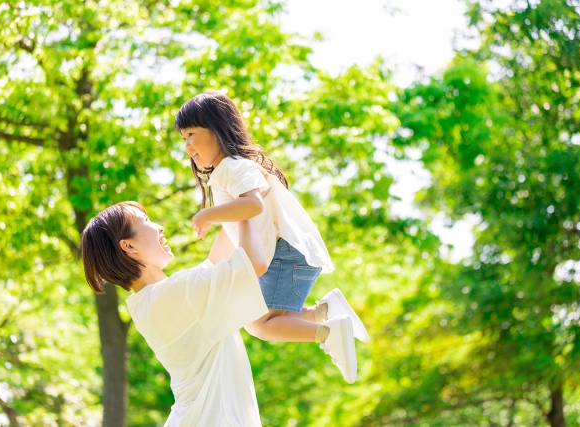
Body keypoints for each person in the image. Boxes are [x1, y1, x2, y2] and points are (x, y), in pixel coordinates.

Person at [174, 91, 370, 383]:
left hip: (287, 253)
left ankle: (328, 332)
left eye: (191, 133)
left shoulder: (233, 166)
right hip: (289, 254)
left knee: (258, 324)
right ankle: (325, 311)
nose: (188, 145)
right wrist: (208, 266)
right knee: (264, 320)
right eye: (183, 138)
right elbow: (234, 229)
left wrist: (207, 215)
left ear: (216, 129)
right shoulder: (228, 171)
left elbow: (252, 205)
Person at [80, 201, 272, 426]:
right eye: (146, 221)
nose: (159, 227)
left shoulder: (152, 301)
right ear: (129, 246)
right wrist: (246, 207)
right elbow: (255, 263)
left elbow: (216, 260)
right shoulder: (174, 295)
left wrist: (237, 201)